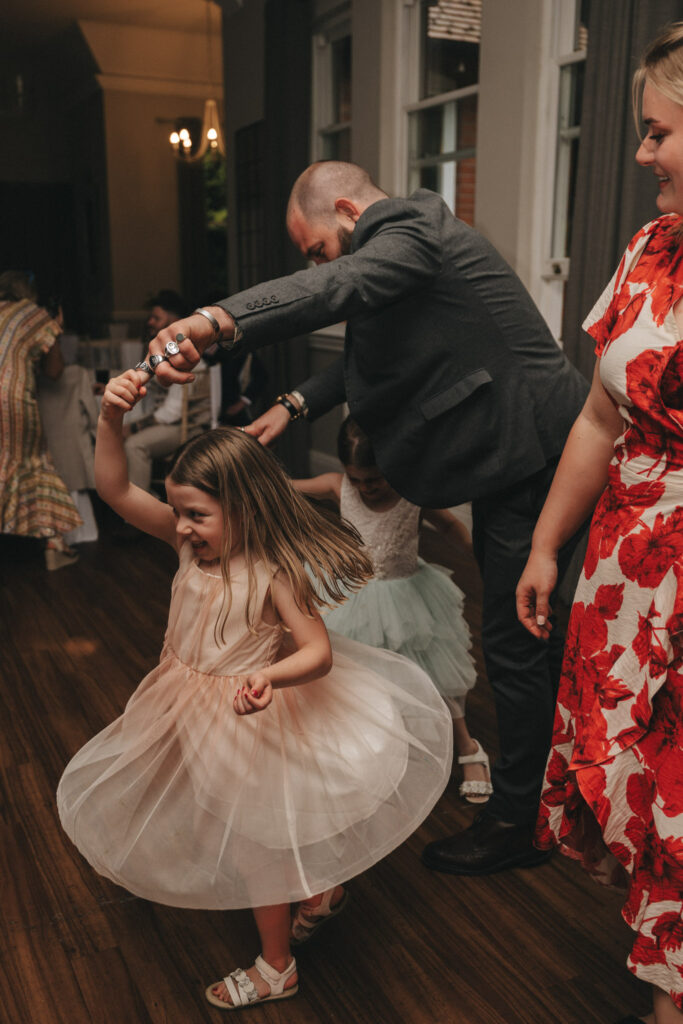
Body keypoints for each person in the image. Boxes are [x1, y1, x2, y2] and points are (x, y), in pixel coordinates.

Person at [142, 160, 590, 874]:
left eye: (316, 247)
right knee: (537, 638)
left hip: (534, 455)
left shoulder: (411, 230)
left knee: (514, 642)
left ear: (348, 211)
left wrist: (215, 321)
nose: (319, 264)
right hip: (521, 450)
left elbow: (336, 287)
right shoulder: (400, 256)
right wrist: (291, 408)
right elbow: (363, 357)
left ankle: (520, 821)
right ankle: (566, 795)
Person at [57, 369, 453, 1009]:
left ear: (242, 508)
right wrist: (109, 418)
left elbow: (319, 653)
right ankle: (318, 890)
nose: (182, 526)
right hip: (186, 708)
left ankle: (277, 967)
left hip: (246, 720)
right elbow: (111, 487)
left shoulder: (272, 573)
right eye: (178, 511)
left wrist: (269, 674)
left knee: (254, 842)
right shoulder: (189, 549)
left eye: (197, 515)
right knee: (239, 816)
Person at [515, 24, 683, 1024]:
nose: (640, 154)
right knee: (623, 777)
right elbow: (596, 412)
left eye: (657, 132)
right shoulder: (644, 250)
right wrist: (544, 543)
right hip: (621, 569)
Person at [294, 415, 490, 803]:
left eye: (374, 479)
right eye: (357, 479)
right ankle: (369, 746)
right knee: (357, 677)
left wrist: (480, 557)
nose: (365, 488)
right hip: (353, 595)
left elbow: (449, 526)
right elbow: (289, 488)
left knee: (435, 673)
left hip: (408, 597)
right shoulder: (338, 487)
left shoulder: (411, 493)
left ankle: (468, 747)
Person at [0, 270, 82, 570]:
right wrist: (55, 329)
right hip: (11, 399)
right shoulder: (34, 315)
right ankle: (54, 546)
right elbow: (54, 371)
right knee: (33, 464)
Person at [124, 290, 211, 493]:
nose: (150, 323)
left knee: (134, 445)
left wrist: (135, 428)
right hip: (171, 420)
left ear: (174, 320)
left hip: (186, 427)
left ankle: (140, 509)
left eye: (156, 318)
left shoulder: (186, 356)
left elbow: (171, 413)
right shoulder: (163, 352)